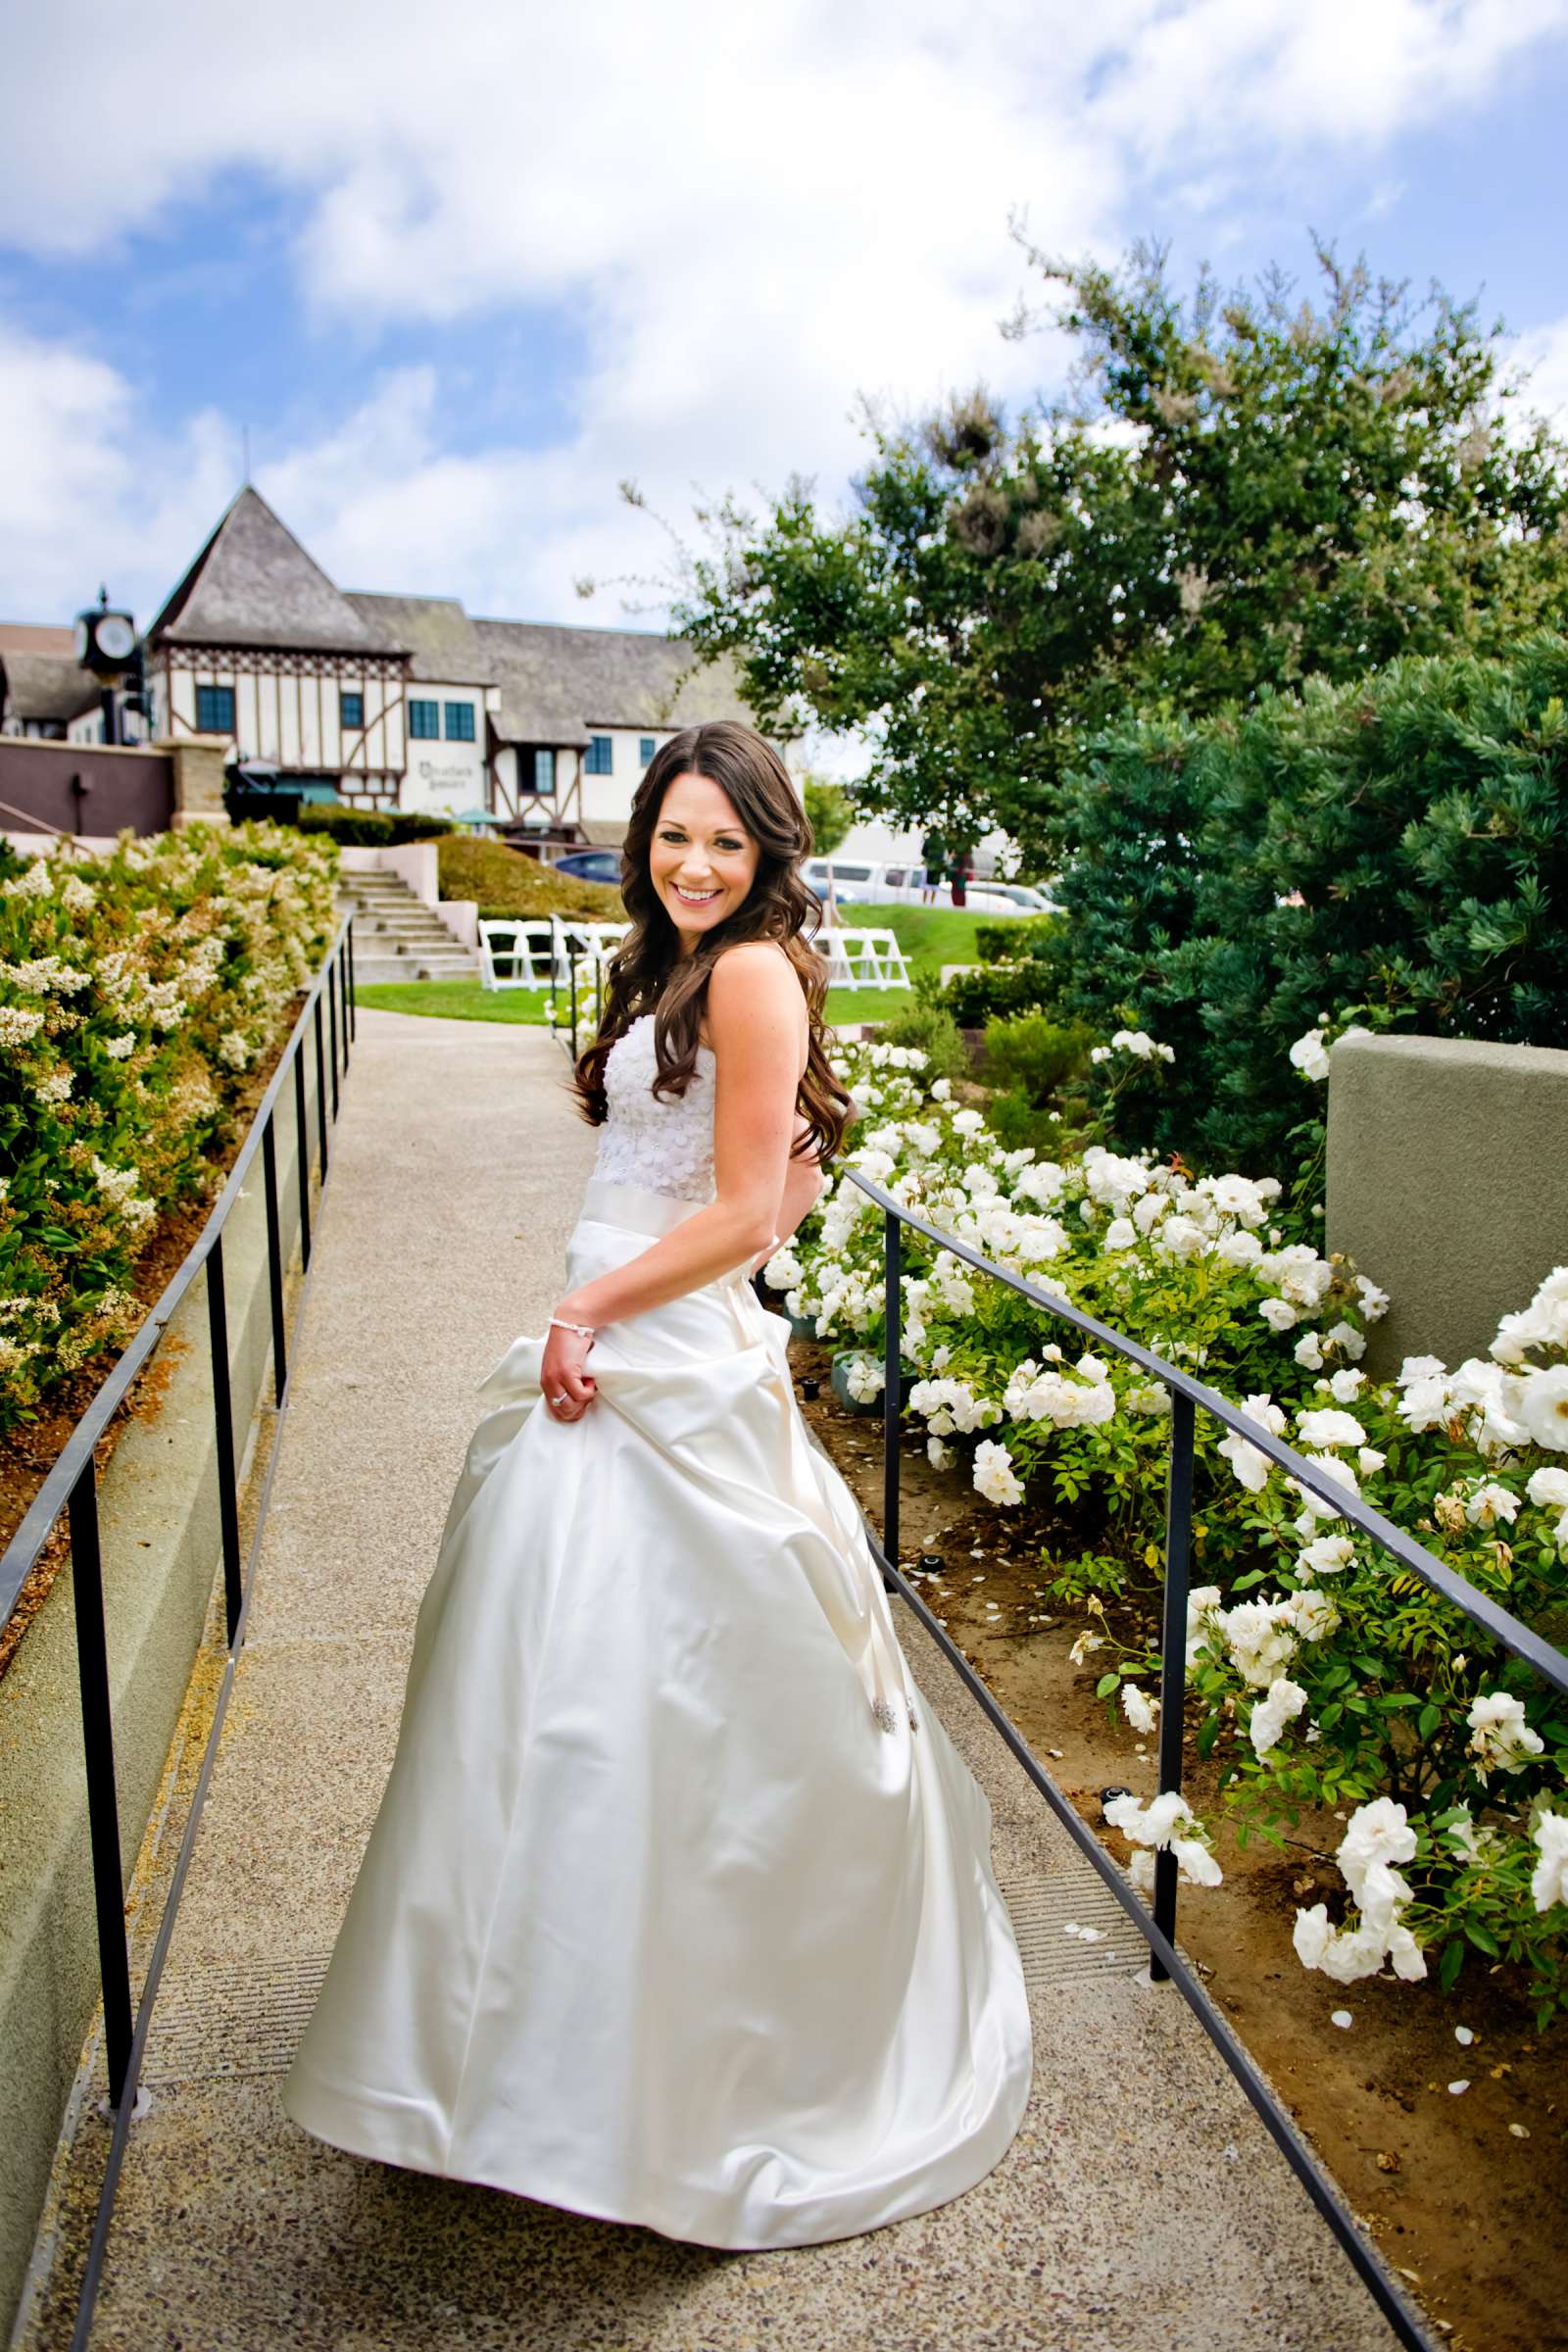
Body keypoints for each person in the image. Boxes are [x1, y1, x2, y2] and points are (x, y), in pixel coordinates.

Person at [279, 720, 1034, 2249]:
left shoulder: (751, 970)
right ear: (646, 842)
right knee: (554, 1686)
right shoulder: (670, 968)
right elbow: (793, 1167)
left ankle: (625, 2056)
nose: (696, 865)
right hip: (626, 1339)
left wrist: (591, 1311)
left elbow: (753, 1205)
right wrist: (612, 1302)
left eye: (727, 846)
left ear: (766, 860)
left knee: (647, 1699)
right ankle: (526, 2043)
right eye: (676, 837)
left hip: (649, 1353)